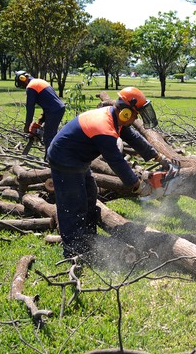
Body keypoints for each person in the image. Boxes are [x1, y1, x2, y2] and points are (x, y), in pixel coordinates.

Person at [46, 86, 169, 258]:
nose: (135, 119)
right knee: (73, 204)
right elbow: (116, 161)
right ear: (125, 113)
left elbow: (134, 138)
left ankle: (87, 236)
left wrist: (159, 158)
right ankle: (73, 249)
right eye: (135, 114)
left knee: (90, 195)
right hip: (65, 160)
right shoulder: (103, 126)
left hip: (79, 160)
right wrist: (137, 185)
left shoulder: (114, 117)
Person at [14, 70, 66, 152]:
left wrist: (27, 126)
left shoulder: (31, 87)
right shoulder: (39, 81)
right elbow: (49, 102)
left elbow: (30, 108)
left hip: (53, 111)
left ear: (23, 79)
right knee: (51, 133)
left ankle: (50, 160)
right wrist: (40, 121)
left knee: (48, 136)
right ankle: (55, 155)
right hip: (58, 108)